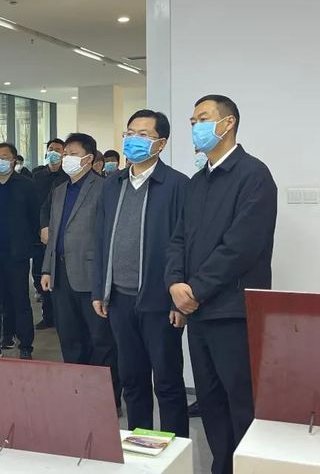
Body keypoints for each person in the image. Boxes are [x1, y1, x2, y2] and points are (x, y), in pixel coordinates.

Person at [166, 95, 277, 474]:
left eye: (203, 118)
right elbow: (178, 239)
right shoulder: (198, 182)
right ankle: (221, 468)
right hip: (198, 314)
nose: (195, 126)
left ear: (228, 123)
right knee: (210, 401)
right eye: (192, 120)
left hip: (233, 311)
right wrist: (174, 285)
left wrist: (194, 290)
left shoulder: (254, 175)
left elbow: (241, 247)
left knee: (240, 401)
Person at [92, 110, 189, 437]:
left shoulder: (177, 185)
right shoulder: (112, 184)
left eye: (144, 135)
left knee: (167, 382)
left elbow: (186, 245)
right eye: (130, 133)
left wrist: (178, 301)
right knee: (132, 379)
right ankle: (140, 446)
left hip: (160, 301)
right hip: (119, 299)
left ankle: (173, 450)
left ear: (161, 144)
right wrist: (99, 289)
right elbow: (101, 239)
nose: (134, 139)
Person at [41, 133, 122, 411]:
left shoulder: (105, 188)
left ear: (88, 158)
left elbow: (109, 234)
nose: (66, 158)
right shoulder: (59, 190)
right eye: (65, 154)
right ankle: (77, 393)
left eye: (72, 154)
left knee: (101, 340)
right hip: (61, 274)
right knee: (70, 338)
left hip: (91, 275)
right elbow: (54, 233)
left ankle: (107, 399)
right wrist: (47, 268)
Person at [0, 143, 39, 359]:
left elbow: (34, 218)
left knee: (20, 301)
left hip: (16, 254)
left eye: (4, 157)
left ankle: (25, 345)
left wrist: (30, 246)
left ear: (13, 160)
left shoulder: (26, 185)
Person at [32, 138, 68, 329]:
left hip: (61, 233)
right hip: (40, 234)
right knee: (41, 275)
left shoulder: (67, 176)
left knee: (60, 278)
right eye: (50, 149)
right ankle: (48, 316)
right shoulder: (37, 176)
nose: (53, 152)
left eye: (57, 149)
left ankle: (62, 316)